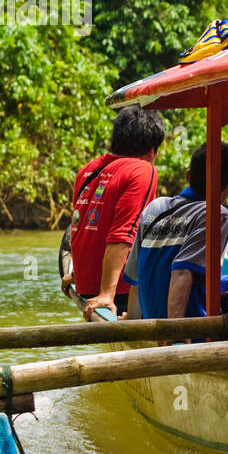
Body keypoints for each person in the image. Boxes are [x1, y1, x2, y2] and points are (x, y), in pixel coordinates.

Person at [61, 106, 165, 319]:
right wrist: (106, 294)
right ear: (151, 150)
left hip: (86, 286)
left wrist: (77, 276)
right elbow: (123, 234)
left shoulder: (88, 170)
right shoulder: (143, 170)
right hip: (118, 291)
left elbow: (81, 228)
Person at [123, 143, 228, 321]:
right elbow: (182, 271)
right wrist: (175, 329)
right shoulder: (217, 214)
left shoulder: (154, 208)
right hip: (188, 333)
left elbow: (136, 278)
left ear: (188, 175)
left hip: (151, 323)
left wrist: (131, 318)